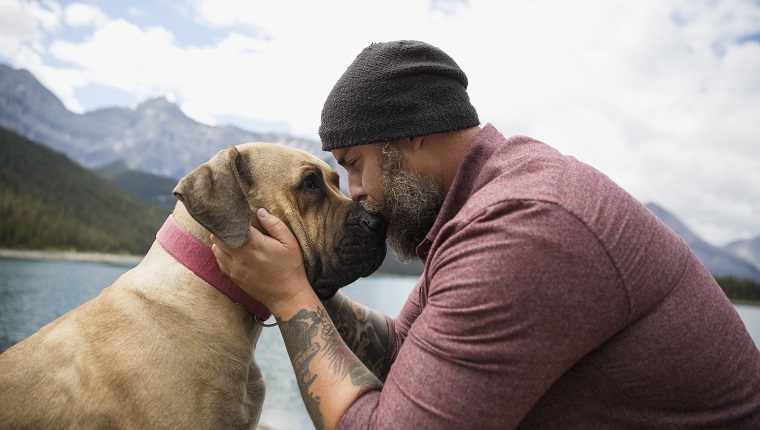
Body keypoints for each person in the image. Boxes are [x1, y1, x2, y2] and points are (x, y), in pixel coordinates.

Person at [211, 40, 760, 429]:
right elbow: (404, 351)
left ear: (412, 136)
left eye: (355, 164)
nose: (353, 190)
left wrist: (289, 298)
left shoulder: (524, 229)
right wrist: (308, 282)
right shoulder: (485, 199)